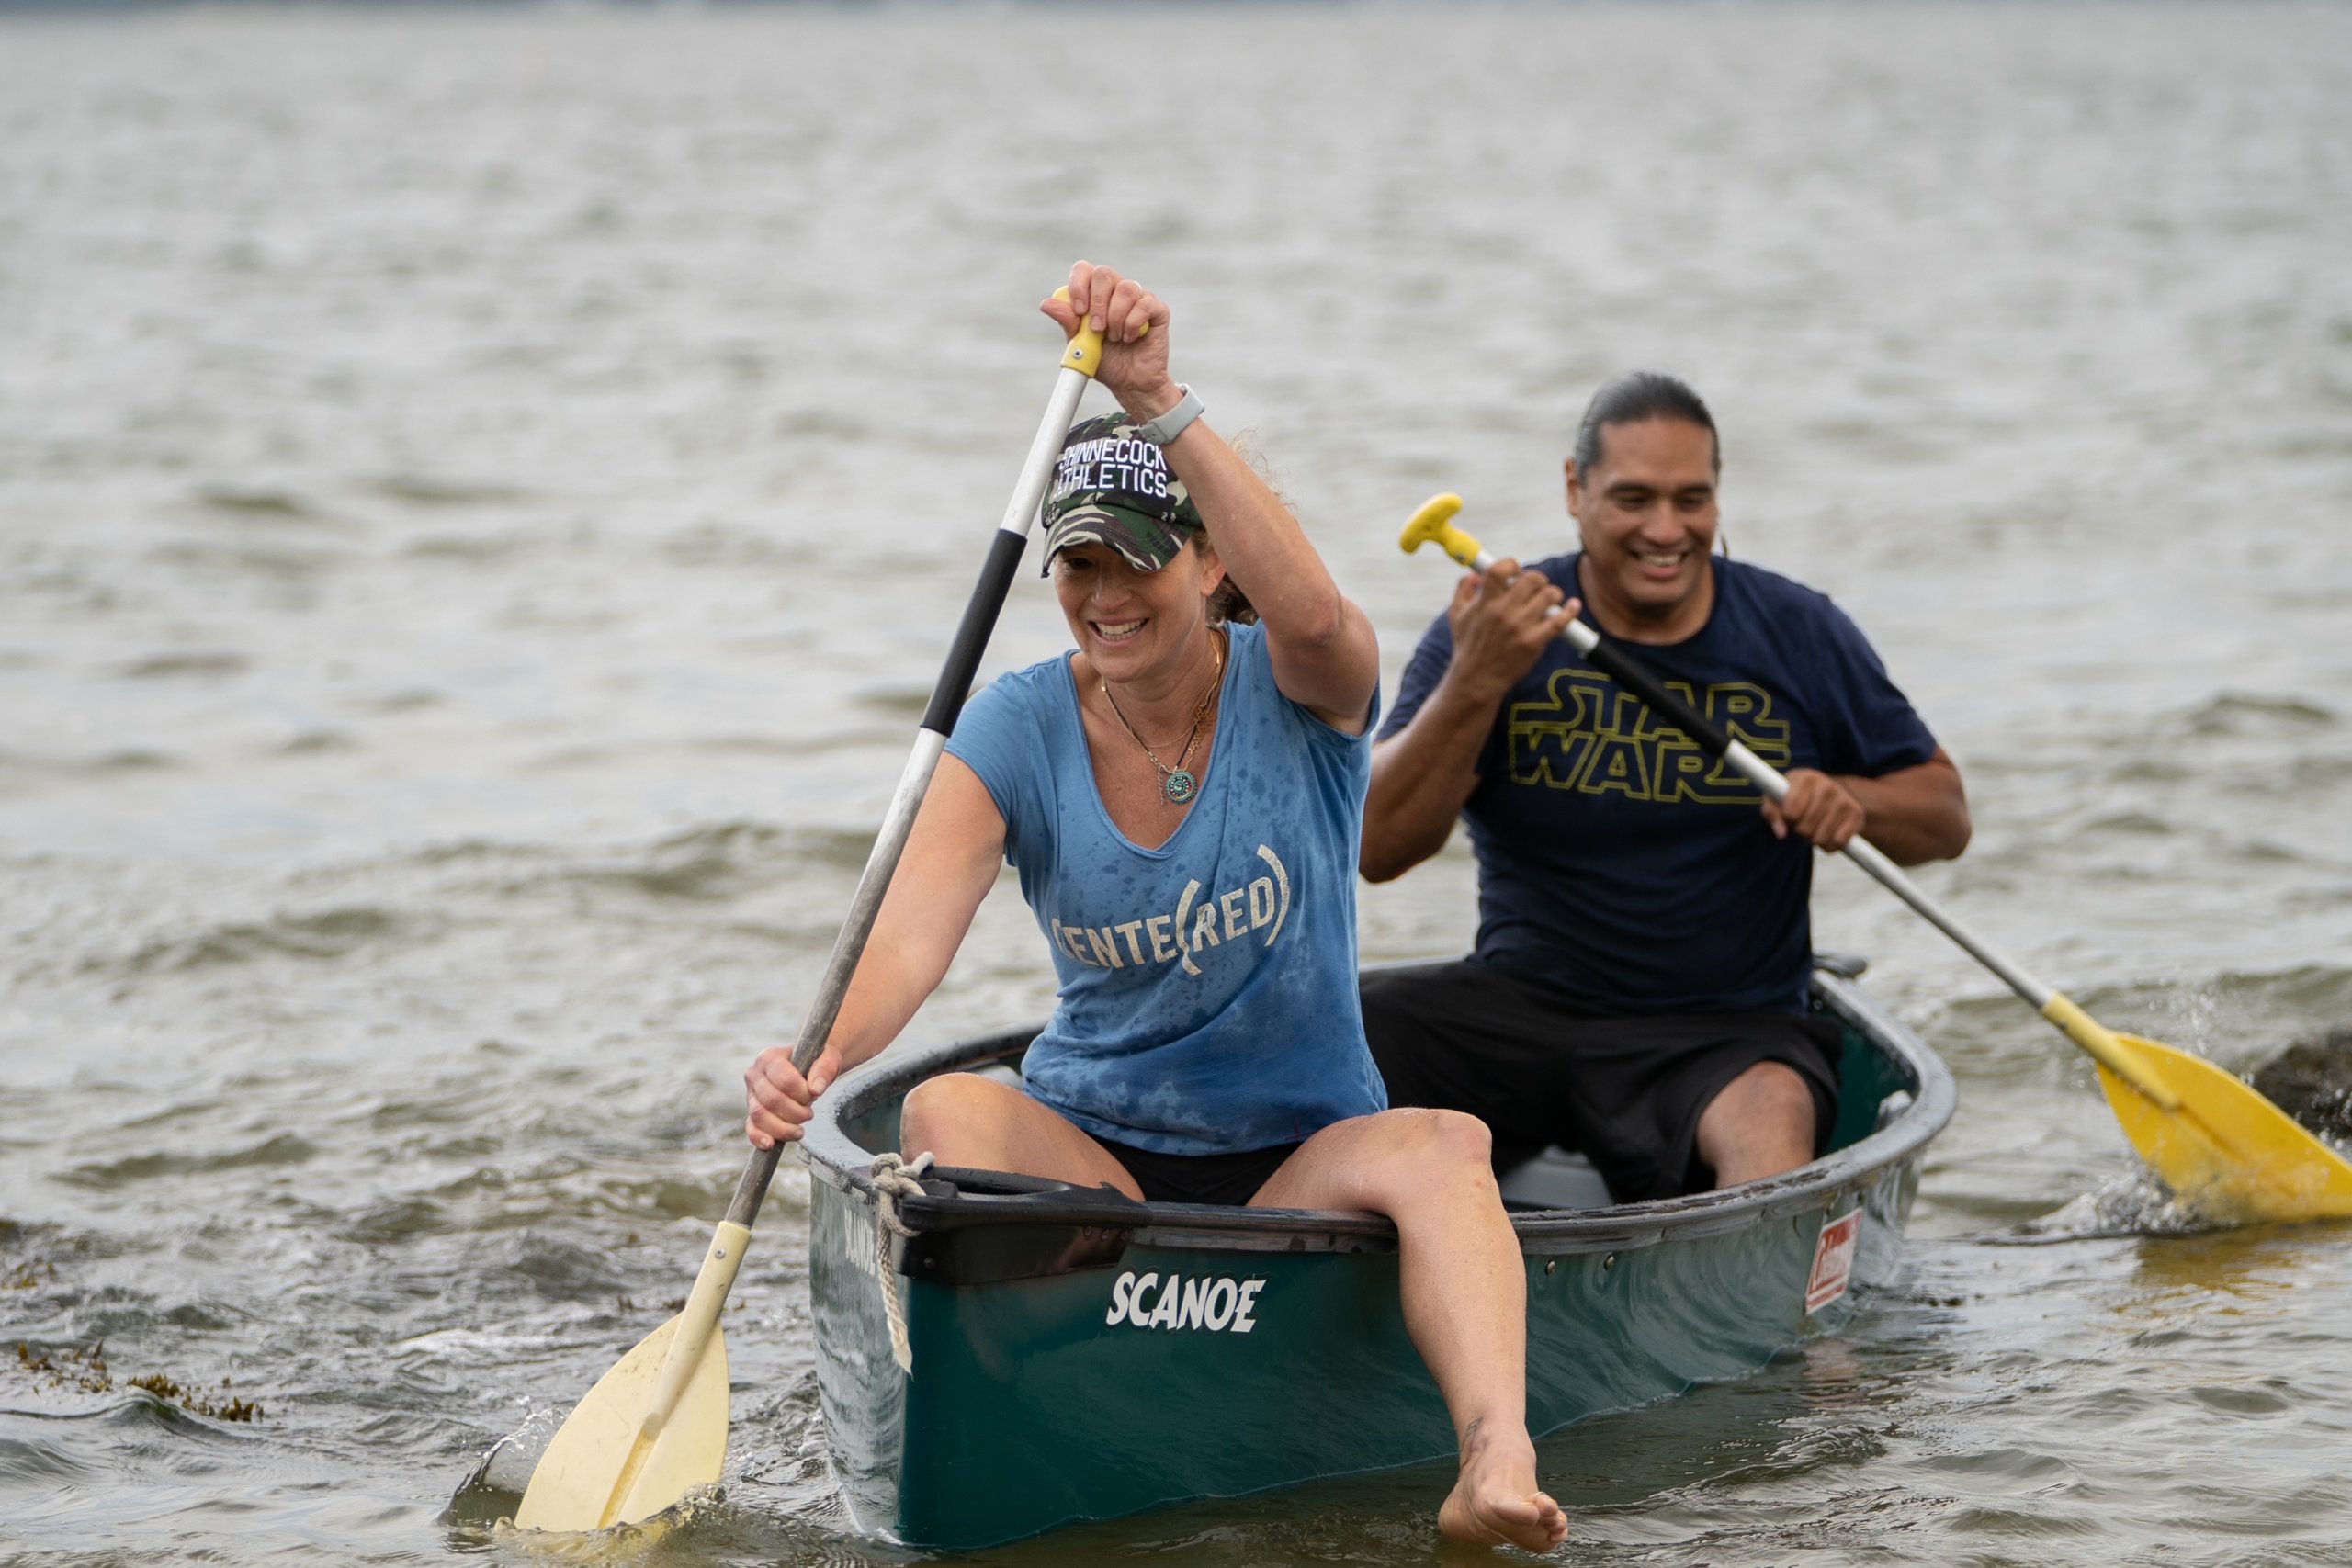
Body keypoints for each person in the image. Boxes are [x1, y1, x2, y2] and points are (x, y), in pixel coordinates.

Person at [744, 263, 1567, 1553]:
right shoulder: (1015, 723)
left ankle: (1494, 1457)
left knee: (1448, 1145)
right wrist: (814, 1056)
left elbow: (1318, 609)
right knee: (944, 1108)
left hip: (1300, 1158)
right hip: (1106, 1160)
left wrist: (1156, 395)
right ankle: (1057, 1389)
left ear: (1209, 560)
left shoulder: (1304, 688)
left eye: (1134, 557)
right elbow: (907, 934)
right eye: (1074, 562)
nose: (1103, 593)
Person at [1359, 372, 1971, 1202]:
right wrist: (1474, 682)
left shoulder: (1798, 630)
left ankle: (1755, 1314)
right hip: (1520, 1007)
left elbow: (1946, 815)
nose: (1665, 529)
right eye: (1633, 498)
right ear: (1575, 491)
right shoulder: (1495, 625)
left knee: (1775, 1111)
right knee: (1328, 1030)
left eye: (1693, 499)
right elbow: (1377, 849)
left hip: (1726, 1030)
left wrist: (1855, 801)